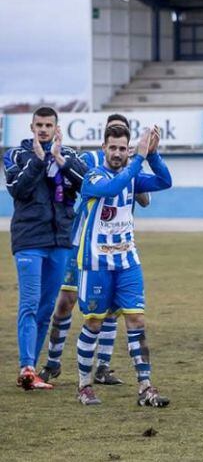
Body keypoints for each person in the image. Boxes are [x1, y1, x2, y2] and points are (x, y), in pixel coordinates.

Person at [39, 114, 151, 386]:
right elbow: (73, 172)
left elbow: (145, 200)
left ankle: (102, 367)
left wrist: (135, 166)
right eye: (113, 143)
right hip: (83, 242)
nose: (117, 150)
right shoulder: (91, 160)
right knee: (66, 302)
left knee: (112, 310)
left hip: (116, 245)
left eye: (123, 142)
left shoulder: (129, 161)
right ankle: (53, 362)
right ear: (105, 141)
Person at [74, 125, 172, 406]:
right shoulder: (93, 176)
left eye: (122, 148)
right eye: (113, 148)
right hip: (96, 263)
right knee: (93, 322)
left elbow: (165, 181)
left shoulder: (133, 175)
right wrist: (138, 159)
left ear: (127, 148)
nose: (117, 153)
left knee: (137, 321)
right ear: (104, 148)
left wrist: (152, 154)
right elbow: (114, 187)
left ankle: (145, 388)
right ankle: (84, 386)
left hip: (127, 261)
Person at [4, 106, 88, 390]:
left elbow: (87, 184)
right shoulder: (16, 154)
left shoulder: (69, 155)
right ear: (31, 127)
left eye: (48, 125)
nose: (43, 129)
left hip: (59, 241)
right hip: (29, 240)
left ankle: (30, 371)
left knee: (45, 308)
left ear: (56, 127)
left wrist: (60, 161)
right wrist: (39, 162)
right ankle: (27, 366)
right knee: (29, 303)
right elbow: (18, 189)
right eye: (38, 125)